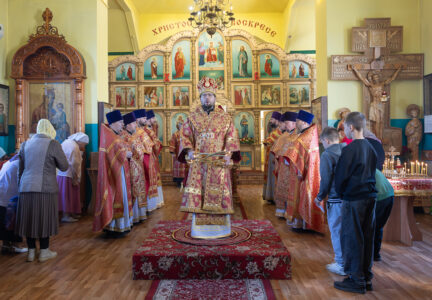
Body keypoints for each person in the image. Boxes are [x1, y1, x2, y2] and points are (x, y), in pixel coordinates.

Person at [178, 76, 240, 239]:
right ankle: (200, 230)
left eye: (210, 95)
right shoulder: (192, 117)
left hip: (218, 164)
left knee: (217, 195)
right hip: (199, 163)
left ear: (214, 97)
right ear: (200, 98)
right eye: (204, 95)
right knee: (200, 196)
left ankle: (221, 230)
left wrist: (228, 153)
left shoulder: (225, 118)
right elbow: (184, 136)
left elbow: (232, 137)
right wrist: (189, 150)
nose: (207, 98)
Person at [334, 112, 377, 294]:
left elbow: (340, 178)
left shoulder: (349, 150)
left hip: (354, 199)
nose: (345, 131)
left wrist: (342, 194)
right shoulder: (371, 147)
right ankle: (366, 277)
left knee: (352, 238)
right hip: (370, 197)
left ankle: (355, 280)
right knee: (367, 237)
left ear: (351, 127)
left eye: (344, 127)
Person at [16, 119, 68, 262]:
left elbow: (20, 170)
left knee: (29, 219)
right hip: (45, 188)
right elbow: (64, 166)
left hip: (25, 187)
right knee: (44, 219)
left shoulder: (25, 144)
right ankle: (44, 251)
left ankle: (31, 252)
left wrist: (20, 187)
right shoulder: (53, 144)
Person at [93, 110, 133, 235]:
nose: (122, 125)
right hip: (114, 173)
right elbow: (114, 153)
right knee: (117, 196)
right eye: (120, 122)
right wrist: (125, 154)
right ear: (114, 123)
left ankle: (121, 225)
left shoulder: (113, 134)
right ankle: (115, 227)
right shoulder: (110, 135)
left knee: (122, 196)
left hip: (120, 170)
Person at [284, 110, 324, 233]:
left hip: (301, 173)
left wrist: (299, 170)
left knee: (301, 196)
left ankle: (303, 224)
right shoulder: (310, 133)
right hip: (308, 171)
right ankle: (304, 223)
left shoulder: (305, 137)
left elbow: (299, 155)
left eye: (297, 122)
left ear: (303, 122)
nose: (296, 124)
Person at [314, 127, 346, 276]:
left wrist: (320, 196)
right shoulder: (346, 149)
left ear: (326, 140)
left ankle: (341, 263)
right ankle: (348, 261)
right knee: (347, 232)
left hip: (335, 198)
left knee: (336, 231)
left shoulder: (328, 154)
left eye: (322, 143)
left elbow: (326, 179)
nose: (323, 145)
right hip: (349, 197)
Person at [123, 112, 149, 223]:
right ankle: (133, 217)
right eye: (133, 123)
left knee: (138, 190)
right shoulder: (125, 137)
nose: (135, 125)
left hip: (137, 167)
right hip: (131, 168)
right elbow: (137, 152)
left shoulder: (132, 136)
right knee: (133, 191)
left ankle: (138, 215)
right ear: (128, 125)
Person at [57, 132, 89, 223]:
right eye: (84, 144)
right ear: (80, 141)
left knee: (67, 195)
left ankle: (70, 213)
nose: (84, 146)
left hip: (62, 173)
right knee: (67, 195)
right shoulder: (74, 146)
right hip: (69, 174)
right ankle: (66, 215)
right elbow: (75, 163)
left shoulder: (66, 142)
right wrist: (76, 177)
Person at [272, 111, 298, 217]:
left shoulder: (298, 136)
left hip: (293, 168)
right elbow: (277, 149)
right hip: (283, 166)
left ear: (294, 123)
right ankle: (282, 211)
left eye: (287, 123)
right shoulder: (284, 135)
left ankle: (291, 212)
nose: (285, 125)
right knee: (282, 188)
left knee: (292, 190)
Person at [0, 155, 27, 254]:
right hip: (9, 195)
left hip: (3, 193)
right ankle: (14, 246)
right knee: (12, 222)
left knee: (5, 223)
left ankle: (6, 245)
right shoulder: (19, 164)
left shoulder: (10, 162)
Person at [373, 169, 394, 262]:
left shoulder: (360, 167)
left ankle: (371, 255)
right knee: (378, 226)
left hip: (380, 197)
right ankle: (375, 255)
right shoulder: (372, 166)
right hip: (389, 194)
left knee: (372, 226)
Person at [146, 110, 164, 211]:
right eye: (153, 118)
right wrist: (158, 144)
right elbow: (156, 145)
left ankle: (156, 201)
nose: (155, 120)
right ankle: (155, 202)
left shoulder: (149, 129)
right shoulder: (148, 131)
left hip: (152, 157)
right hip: (151, 157)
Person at [262, 112, 282, 202]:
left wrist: (267, 141)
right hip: (269, 157)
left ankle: (273, 196)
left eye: (272, 119)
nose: (270, 121)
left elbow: (270, 141)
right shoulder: (275, 131)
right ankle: (269, 196)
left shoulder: (279, 131)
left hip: (274, 157)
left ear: (277, 120)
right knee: (270, 175)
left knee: (273, 176)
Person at [169, 121, 188, 187]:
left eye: (182, 125)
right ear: (178, 126)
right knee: (178, 168)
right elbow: (172, 143)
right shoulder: (175, 134)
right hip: (177, 154)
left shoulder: (186, 134)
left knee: (185, 168)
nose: (181, 126)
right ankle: (179, 182)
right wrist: (172, 152)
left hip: (185, 154)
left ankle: (185, 182)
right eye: (180, 125)